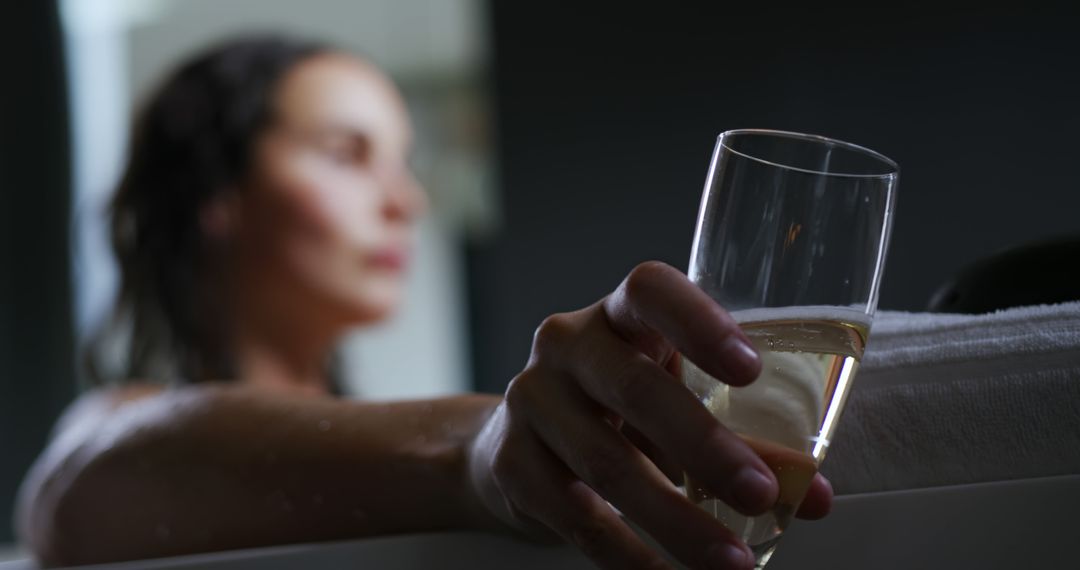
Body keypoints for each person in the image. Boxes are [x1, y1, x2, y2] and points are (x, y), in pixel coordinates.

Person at [16, 35, 832, 570]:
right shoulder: (129, 423)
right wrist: (482, 447)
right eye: (346, 153)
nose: (405, 200)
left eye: (404, 161)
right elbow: (72, 487)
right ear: (216, 198)